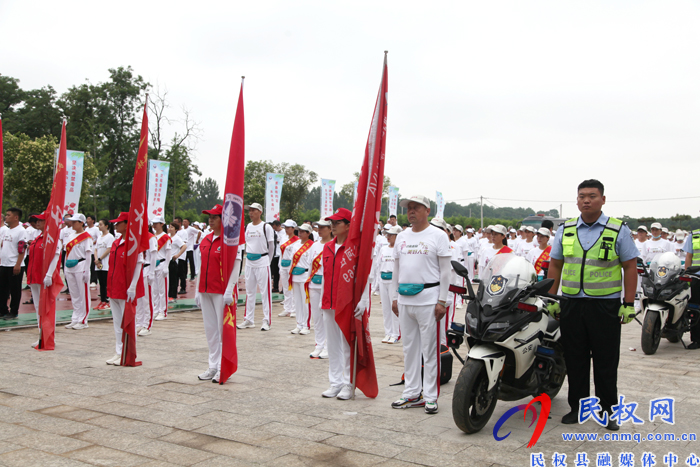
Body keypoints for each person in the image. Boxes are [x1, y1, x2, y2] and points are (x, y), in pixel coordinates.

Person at [547, 179, 638, 430]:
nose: (586, 200)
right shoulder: (565, 229)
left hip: (605, 307)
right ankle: (578, 408)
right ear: (576, 200)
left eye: (592, 196)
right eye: (582, 196)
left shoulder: (618, 229)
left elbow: (630, 266)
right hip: (572, 304)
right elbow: (555, 264)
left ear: (603, 200)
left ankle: (609, 411)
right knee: (575, 359)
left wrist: (628, 303)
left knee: (605, 361)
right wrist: (552, 299)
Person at [389, 196, 451, 415]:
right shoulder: (402, 237)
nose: (411, 211)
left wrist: (442, 300)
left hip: (429, 299)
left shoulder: (438, 235)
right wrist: (395, 296)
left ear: (428, 210)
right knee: (409, 348)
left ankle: (431, 396)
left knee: (430, 350)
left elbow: (445, 270)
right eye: (408, 208)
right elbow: (397, 267)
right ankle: (412, 392)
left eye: (416, 207)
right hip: (405, 299)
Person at [194, 204, 241, 383]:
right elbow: (200, 268)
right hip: (205, 291)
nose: (211, 220)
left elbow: (236, 263)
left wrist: (229, 289)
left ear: (224, 219)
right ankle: (212, 365)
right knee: (211, 331)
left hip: (221, 291)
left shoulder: (229, 240)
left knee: (223, 331)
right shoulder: (205, 240)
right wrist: (198, 290)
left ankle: (223, 366)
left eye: (215, 217)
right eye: (210, 217)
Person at [320, 208, 357, 401]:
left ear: (348, 225)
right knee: (332, 345)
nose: (332, 226)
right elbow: (326, 276)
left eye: (337, 223)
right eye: (331, 223)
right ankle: (335, 383)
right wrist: (322, 300)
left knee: (346, 345)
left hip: (346, 304)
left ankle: (348, 382)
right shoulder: (327, 247)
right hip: (328, 302)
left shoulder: (353, 248)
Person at [105, 212, 145, 366]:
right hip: (114, 287)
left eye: (119, 222)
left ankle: (127, 352)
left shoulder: (134, 242)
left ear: (128, 224)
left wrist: (133, 286)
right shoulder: (116, 242)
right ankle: (118, 351)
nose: (115, 225)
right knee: (116, 323)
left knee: (126, 322)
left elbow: (138, 263)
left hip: (125, 289)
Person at [25, 212, 61, 347]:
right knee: (37, 307)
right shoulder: (38, 236)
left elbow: (56, 255)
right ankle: (41, 334)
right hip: (34, 276)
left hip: (44, 277)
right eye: (37, 220)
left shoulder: (53, 238)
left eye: (40, 220)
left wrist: (49, 274)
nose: (37, 222)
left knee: (46, 307)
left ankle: (49, 335)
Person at [237, 203, 274, 331]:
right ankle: (248, 319)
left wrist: (267, 261)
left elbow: (271, 246)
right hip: (249, 261)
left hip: (263, 261)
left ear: (260, 212)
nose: (250, 213)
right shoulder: (247, 227)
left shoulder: (266, 227)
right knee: (250, 291)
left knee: (265, 292)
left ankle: (266, 320)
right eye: (249, 211)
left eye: (253, 210)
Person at [63, 214, 94, 330]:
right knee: (74, 294)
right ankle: (75, 318)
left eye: (75, 222)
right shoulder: (70, 235)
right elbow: (66, 252)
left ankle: (83, 320)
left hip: (81, 266)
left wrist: (87, 270)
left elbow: (88, 254)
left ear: (81, 223)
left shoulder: (86, 237)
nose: (72, 224)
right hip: (69, 266)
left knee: (83, 294)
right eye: (72, 221)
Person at [306, 219, 332, 359]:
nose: (320, 230)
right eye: (318, 227)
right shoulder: (314, 246)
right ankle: (319, 345)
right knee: (316, 317)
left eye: (323, 227)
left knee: (326, 316)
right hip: (314, 284)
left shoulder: (333, 245)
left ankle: (328, 346)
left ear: (330, 229)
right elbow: (310, 266)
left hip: (326, 284)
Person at [287, 223, 316, 335]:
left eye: (303, 231)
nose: (300, 233)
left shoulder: (312, 245)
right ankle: (299, 324)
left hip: (305, 275)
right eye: (299, 230)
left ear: (308, 233)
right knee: (297, 301)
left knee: (305, 302)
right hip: (295, 275)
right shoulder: (295, 245)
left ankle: (306, 325)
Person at [0, 208, 28, 320]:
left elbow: (22, 249)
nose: (6, 217)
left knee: (15, 289)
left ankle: (14, 311)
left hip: (14, 265)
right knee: (2, 289)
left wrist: (18, 264)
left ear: (16, 217)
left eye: (8, 215)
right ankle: (2, 310)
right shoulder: (7, 230)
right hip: (4, 264)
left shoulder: (21, 231)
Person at [378, 225, 401, 344]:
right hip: (383, 280)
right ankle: (388, 333)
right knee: (386, 308)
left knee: (394, 307)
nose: (388, 237)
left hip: (394, 281)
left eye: (391, 235)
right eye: (387, 234)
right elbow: (378, 265)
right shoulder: (383, 248)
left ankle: (396, 333)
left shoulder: (399, 249)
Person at [148, 217, 172, 326]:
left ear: (162, 224)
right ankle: (156, 309)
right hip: (154, 265)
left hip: (162, 264)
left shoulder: (166, 237)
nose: (154, 225)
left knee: (162, 290)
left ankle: (163, 311)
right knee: (155, 290)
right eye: (153, 223)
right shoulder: (152, 237)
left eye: (156, 223)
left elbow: (168, 252)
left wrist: (166, 265)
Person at [135, 226, 158, 336]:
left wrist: (152, 272)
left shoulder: (150, 237)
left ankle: (147, 325)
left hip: (147, 268)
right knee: (139, 298)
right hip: (139, 269)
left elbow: (153, 255)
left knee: (147, 299)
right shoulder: (136, 237)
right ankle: (139, 322)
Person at [277, 220, 299, 318]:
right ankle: (287, 308)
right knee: (285, 287)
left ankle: (294, 309)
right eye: (285, 227)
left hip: (291, 265)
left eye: (288, 227)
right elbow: (281, 253)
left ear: (293, 229)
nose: (286, 229)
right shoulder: (283, 238)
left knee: (292, 287)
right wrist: (279, 265)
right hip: (283, 264)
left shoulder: (298, 241)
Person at [683, 228, 700, 349]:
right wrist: (686, 276)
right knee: (695, 309)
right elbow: (689, 256)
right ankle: (697, 339)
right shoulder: (694, 235)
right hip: (696, 277)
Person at [94, 219, 115, 311]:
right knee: (101, 283)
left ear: (106, 226)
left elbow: (109, 249)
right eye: (99, 224)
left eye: (101, 224)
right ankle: (102, 300)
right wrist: (96, 259)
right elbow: (95, 249)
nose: (99, 226)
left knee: (106, 283)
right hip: (98, 264)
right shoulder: (99, 237)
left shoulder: (110, 237)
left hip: (106, 264)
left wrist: (100, 259)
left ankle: (107, 301)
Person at [168, 224, 187, 302]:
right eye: (169, 227)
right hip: (167, 261)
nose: (170, 228)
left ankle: (173, 296)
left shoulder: (177, 238)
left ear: (176, 229)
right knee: (168, 279)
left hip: (173, 261)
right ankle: (168, 295)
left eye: (172, 227)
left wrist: (177, 255)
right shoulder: (167, 236)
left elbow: (184, 246)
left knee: (173, 279)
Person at [85, 215, 100, 288]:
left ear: (93, 221)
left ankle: (94, 280)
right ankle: (89, 279)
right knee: (88, 265)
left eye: (89, 218)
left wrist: (94, 242)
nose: (87, 220)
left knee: (93, 266)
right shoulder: (86, 229)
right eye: (87, 219)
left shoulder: (95, 229)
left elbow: (99, 238)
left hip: (93, 250)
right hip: (87, 250)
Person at [270, 220, 282, 292]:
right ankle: (275, 287)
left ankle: (284, 288)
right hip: (274, 254)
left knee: (281, 272)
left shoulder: (284, 232)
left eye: (275, 227)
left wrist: (277, 241)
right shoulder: (273, 232)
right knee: (274, 272)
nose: (274, 229)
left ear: (278, 226)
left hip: (280, 254)